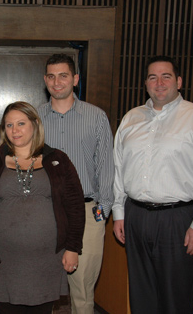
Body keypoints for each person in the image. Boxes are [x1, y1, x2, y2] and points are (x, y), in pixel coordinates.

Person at [112, 55, 193, 313]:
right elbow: (119, 170)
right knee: (142, 297)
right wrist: (119, 213)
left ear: (179, 81)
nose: (159, 82)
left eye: (166, 76)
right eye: (153, 77)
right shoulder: (131, 119)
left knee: (176, 300)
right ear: (146, 84)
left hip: (178, 220)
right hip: (135, 217)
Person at [0, 101, 85, 314]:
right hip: (4, 262)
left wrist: (72, 247)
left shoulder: (58, 160)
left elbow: (75, 207)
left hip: (47, 261)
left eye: (21, 123)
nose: (15, 130)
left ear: (35, 124)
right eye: (9, 125)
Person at [38, 53, 114, 314]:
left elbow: (106, 167)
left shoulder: (96, 117)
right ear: (45, 79)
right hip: (42, 211)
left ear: (75, 79)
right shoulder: (34, 118)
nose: (56, 82)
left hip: (86, 212)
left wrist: (101, 213)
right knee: (41, 288)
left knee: (82, 292)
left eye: (63, 75)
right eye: (51, 76)